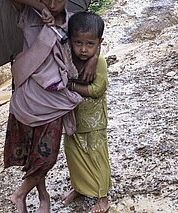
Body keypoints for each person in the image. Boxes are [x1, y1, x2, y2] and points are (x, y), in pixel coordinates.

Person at [2, 0, 97, 213]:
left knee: (47, 156)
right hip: (29, 95)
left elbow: (90, 42)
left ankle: (19, 194)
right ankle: (43, 196)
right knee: (33, 152)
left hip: (56, 99)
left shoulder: (72, 21)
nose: (53, 3)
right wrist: (38, 6)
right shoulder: (30, 16)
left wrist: (95, 59)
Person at [61, 11, 111, 213]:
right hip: (73, 118)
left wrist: (71, 86)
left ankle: (102, 197)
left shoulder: (99, 62)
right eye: (78, 43)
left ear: (99, 42)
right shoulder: (68, 58)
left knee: (97, 156)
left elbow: (97, 90)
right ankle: (80, 188)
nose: (83, 49)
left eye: (90, 44)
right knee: (74, 155)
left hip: (94, 121)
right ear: (70, 40)